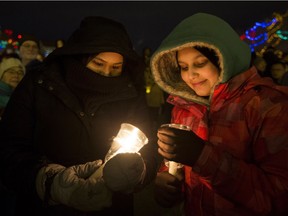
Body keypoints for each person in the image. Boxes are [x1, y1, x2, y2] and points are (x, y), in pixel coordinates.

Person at [0, 16, 157, 216]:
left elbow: (148, 148)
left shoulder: (130, 95)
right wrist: (50, 182)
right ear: (79, 56)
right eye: (98, 64)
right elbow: (8, 148)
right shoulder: (39, 85)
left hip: (111, 208)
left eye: (115, 68)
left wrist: (137, 172)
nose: (105, 74)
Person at [150, 13, 288, 215]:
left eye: (200, 63)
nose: (190, 75)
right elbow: (177, 167)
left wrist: (202, 156)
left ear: (224, 58)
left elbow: (279, 197)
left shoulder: (266, 106)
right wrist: (167, 180)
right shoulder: (184, 108)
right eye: (183, 67)